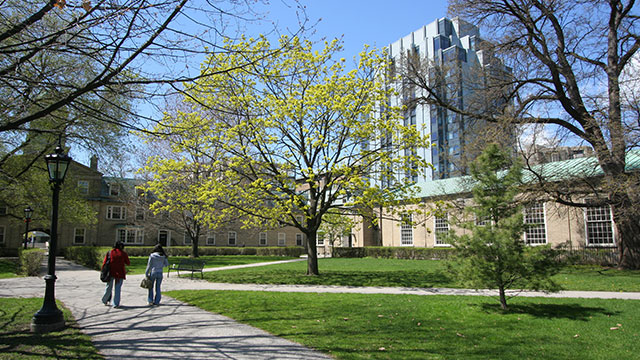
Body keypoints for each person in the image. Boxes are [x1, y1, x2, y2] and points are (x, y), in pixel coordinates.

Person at [101, 241, 130, 308]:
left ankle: (105, 300)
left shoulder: (110, 252)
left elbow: (104, 262)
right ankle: (116, 303)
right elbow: (128, 263)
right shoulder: (123, 254)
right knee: (117, 289)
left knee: (108, 287)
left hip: (110, 272)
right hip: (120, 273)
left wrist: (103, 270)